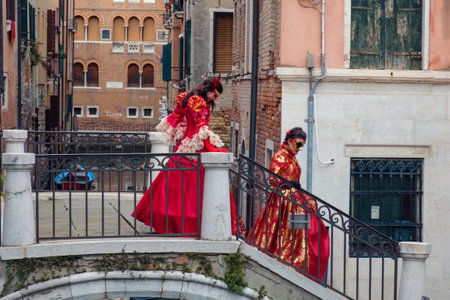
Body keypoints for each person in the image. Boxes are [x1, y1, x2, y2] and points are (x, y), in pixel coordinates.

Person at [132, 77, 245, 235]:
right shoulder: (199, 103)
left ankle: (179, 223)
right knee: (190, 188)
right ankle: (192, 225)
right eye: (216, 95)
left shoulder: (191, 98)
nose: (215, 98)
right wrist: (212, 148)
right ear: (211, 90)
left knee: (180, 186)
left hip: (189, 145)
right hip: (194, 147)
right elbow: (201, 128)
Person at [246, 127, 329, 281]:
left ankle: (300, 262)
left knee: (303, 228)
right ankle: (289, 259)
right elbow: (272, 180)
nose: (299, 149)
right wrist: (288, 184)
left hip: (294, 201)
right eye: (298, 145)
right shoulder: (280, 156)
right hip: (283, 202)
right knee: (285, 232)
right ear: (290, 141)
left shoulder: (291, 157)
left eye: (301, 146)